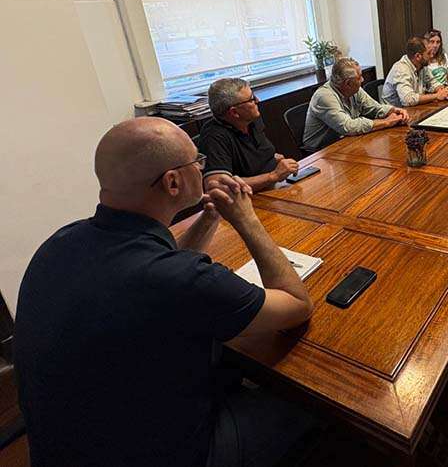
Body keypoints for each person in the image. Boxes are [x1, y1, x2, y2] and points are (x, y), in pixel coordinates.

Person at [14, 117, 317, 467]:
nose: (202, 167)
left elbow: (156, 266)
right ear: (173, 182)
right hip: (167, 453)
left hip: (62, 448)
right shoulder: (179, 278)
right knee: (307, 401)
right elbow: (297, 304)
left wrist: (209, 219)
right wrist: (247, 220)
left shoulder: (61, 242)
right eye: (196, 162)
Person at [199, 77, 299, 192]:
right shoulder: (213, 136)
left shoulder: (251, 119)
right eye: (251, 100)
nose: (257, 101)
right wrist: (273, 176)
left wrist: (272, 159)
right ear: (234, 112)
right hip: (247, 199)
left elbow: (252, 155)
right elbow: (217, 186)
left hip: (273, 187)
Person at [303, 57, 410, 151]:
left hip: (346, 142)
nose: (363, 80)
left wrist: (393, 110)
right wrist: (386, 122)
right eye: (359, 77)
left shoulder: (354, 89)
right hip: (322, 151)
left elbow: (374, 108)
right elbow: (348, 126)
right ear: (348, 83)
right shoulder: (324, 96)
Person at [383, 36, 448, 107]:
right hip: (394, 113)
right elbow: (408, 100)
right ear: (418, 56)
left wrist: (443, 90)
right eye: (429, 53)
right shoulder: (401, 69)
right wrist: (437, 96)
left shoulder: (421, 65)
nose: (432, 56)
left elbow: (432, 82)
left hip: (413, 109)